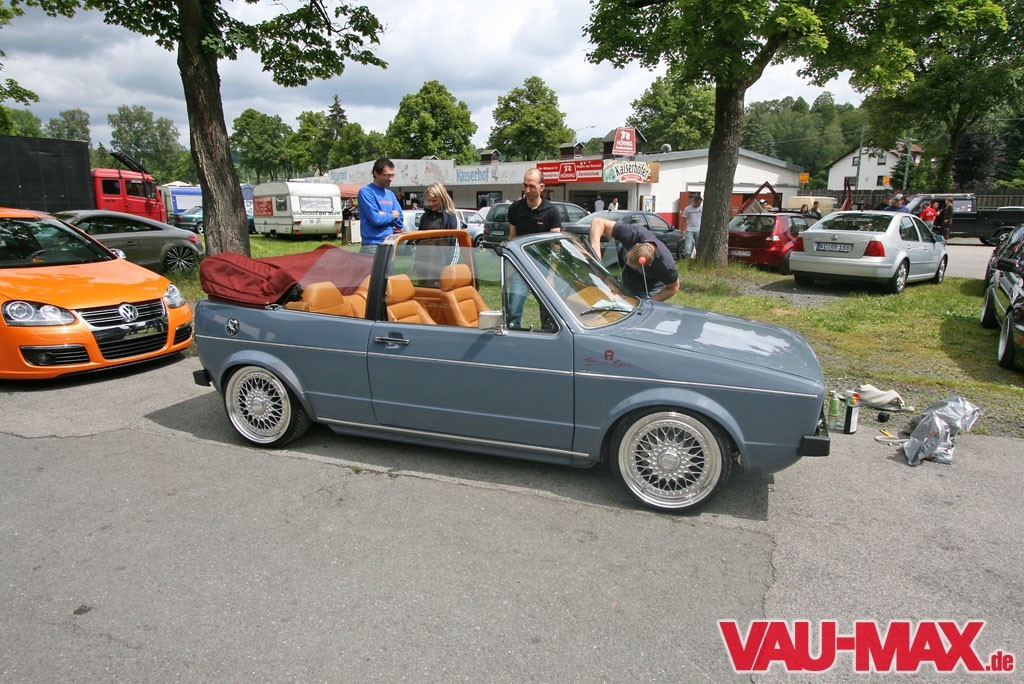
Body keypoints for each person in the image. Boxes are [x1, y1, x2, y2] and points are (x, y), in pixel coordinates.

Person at [507, 168, 562, 327]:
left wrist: (551, 275)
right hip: (521, 266)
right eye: (525, 185)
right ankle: (514, 337)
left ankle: (547, 338)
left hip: (543, 268)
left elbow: (556, 247)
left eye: (531, 186)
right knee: (513, 312)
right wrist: (510, 268)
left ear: (541, 187)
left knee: (549, 316)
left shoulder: (551, 212)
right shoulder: (515, 208)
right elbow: (512, 238)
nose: (527, 190)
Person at [588, 216, 679, 301]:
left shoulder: (666, 265)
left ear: (648, 264)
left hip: (651, 290)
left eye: (635, 267)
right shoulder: (633, 235)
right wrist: (596, 255)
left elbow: (672, 288)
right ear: (636, 245)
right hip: (628, 283)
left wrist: (650, 303)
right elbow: (598, 222)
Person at [357, 157, 404, 253]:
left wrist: (384, 215)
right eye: (387, 175)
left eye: (392, 175)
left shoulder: (390, 194)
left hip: (389, 243)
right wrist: (392, 216)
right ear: (375, 173)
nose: (390, 179)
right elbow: (376, 220)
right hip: (372, 246)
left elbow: (400, 222)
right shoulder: (366, 192)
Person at [680, 194, 702, 259]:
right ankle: (687, 259)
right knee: (688, 246)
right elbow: (683, 220)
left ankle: (698, 259)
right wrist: (681, 232)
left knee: (698, 245)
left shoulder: (701, 208)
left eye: (700, 203)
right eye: (698, 203)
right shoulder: (687, 209)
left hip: (698, 229)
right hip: (690, 229)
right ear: (694, 201)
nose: (699, 204)